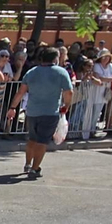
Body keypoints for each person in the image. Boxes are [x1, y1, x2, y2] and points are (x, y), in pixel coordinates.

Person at [9, 45, 72, 178]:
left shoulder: (32, 72)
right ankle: (35, 167)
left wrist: (12, 108)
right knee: (42, 141)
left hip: (32, 111)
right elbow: (69, 92)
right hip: (50, 112)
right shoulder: (61, 72)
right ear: (56, 58)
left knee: (32, 139)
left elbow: (21, 92)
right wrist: (66, 106)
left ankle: (27, 163)